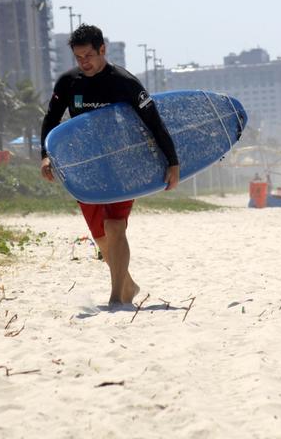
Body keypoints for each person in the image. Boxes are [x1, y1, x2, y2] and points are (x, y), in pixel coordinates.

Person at [40, 24, 180, 307]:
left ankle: (116, 297)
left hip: (121, 165)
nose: (84, 63)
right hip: (85, 166)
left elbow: (153, 121)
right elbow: (51, 120)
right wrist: (45, 154)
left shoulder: (124, 82)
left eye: (89, 55)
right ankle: (127, 285)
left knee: (116, 226)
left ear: (102, 49)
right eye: (79, 58)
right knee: (101, 237)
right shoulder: (69, 82)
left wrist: (172, 161)